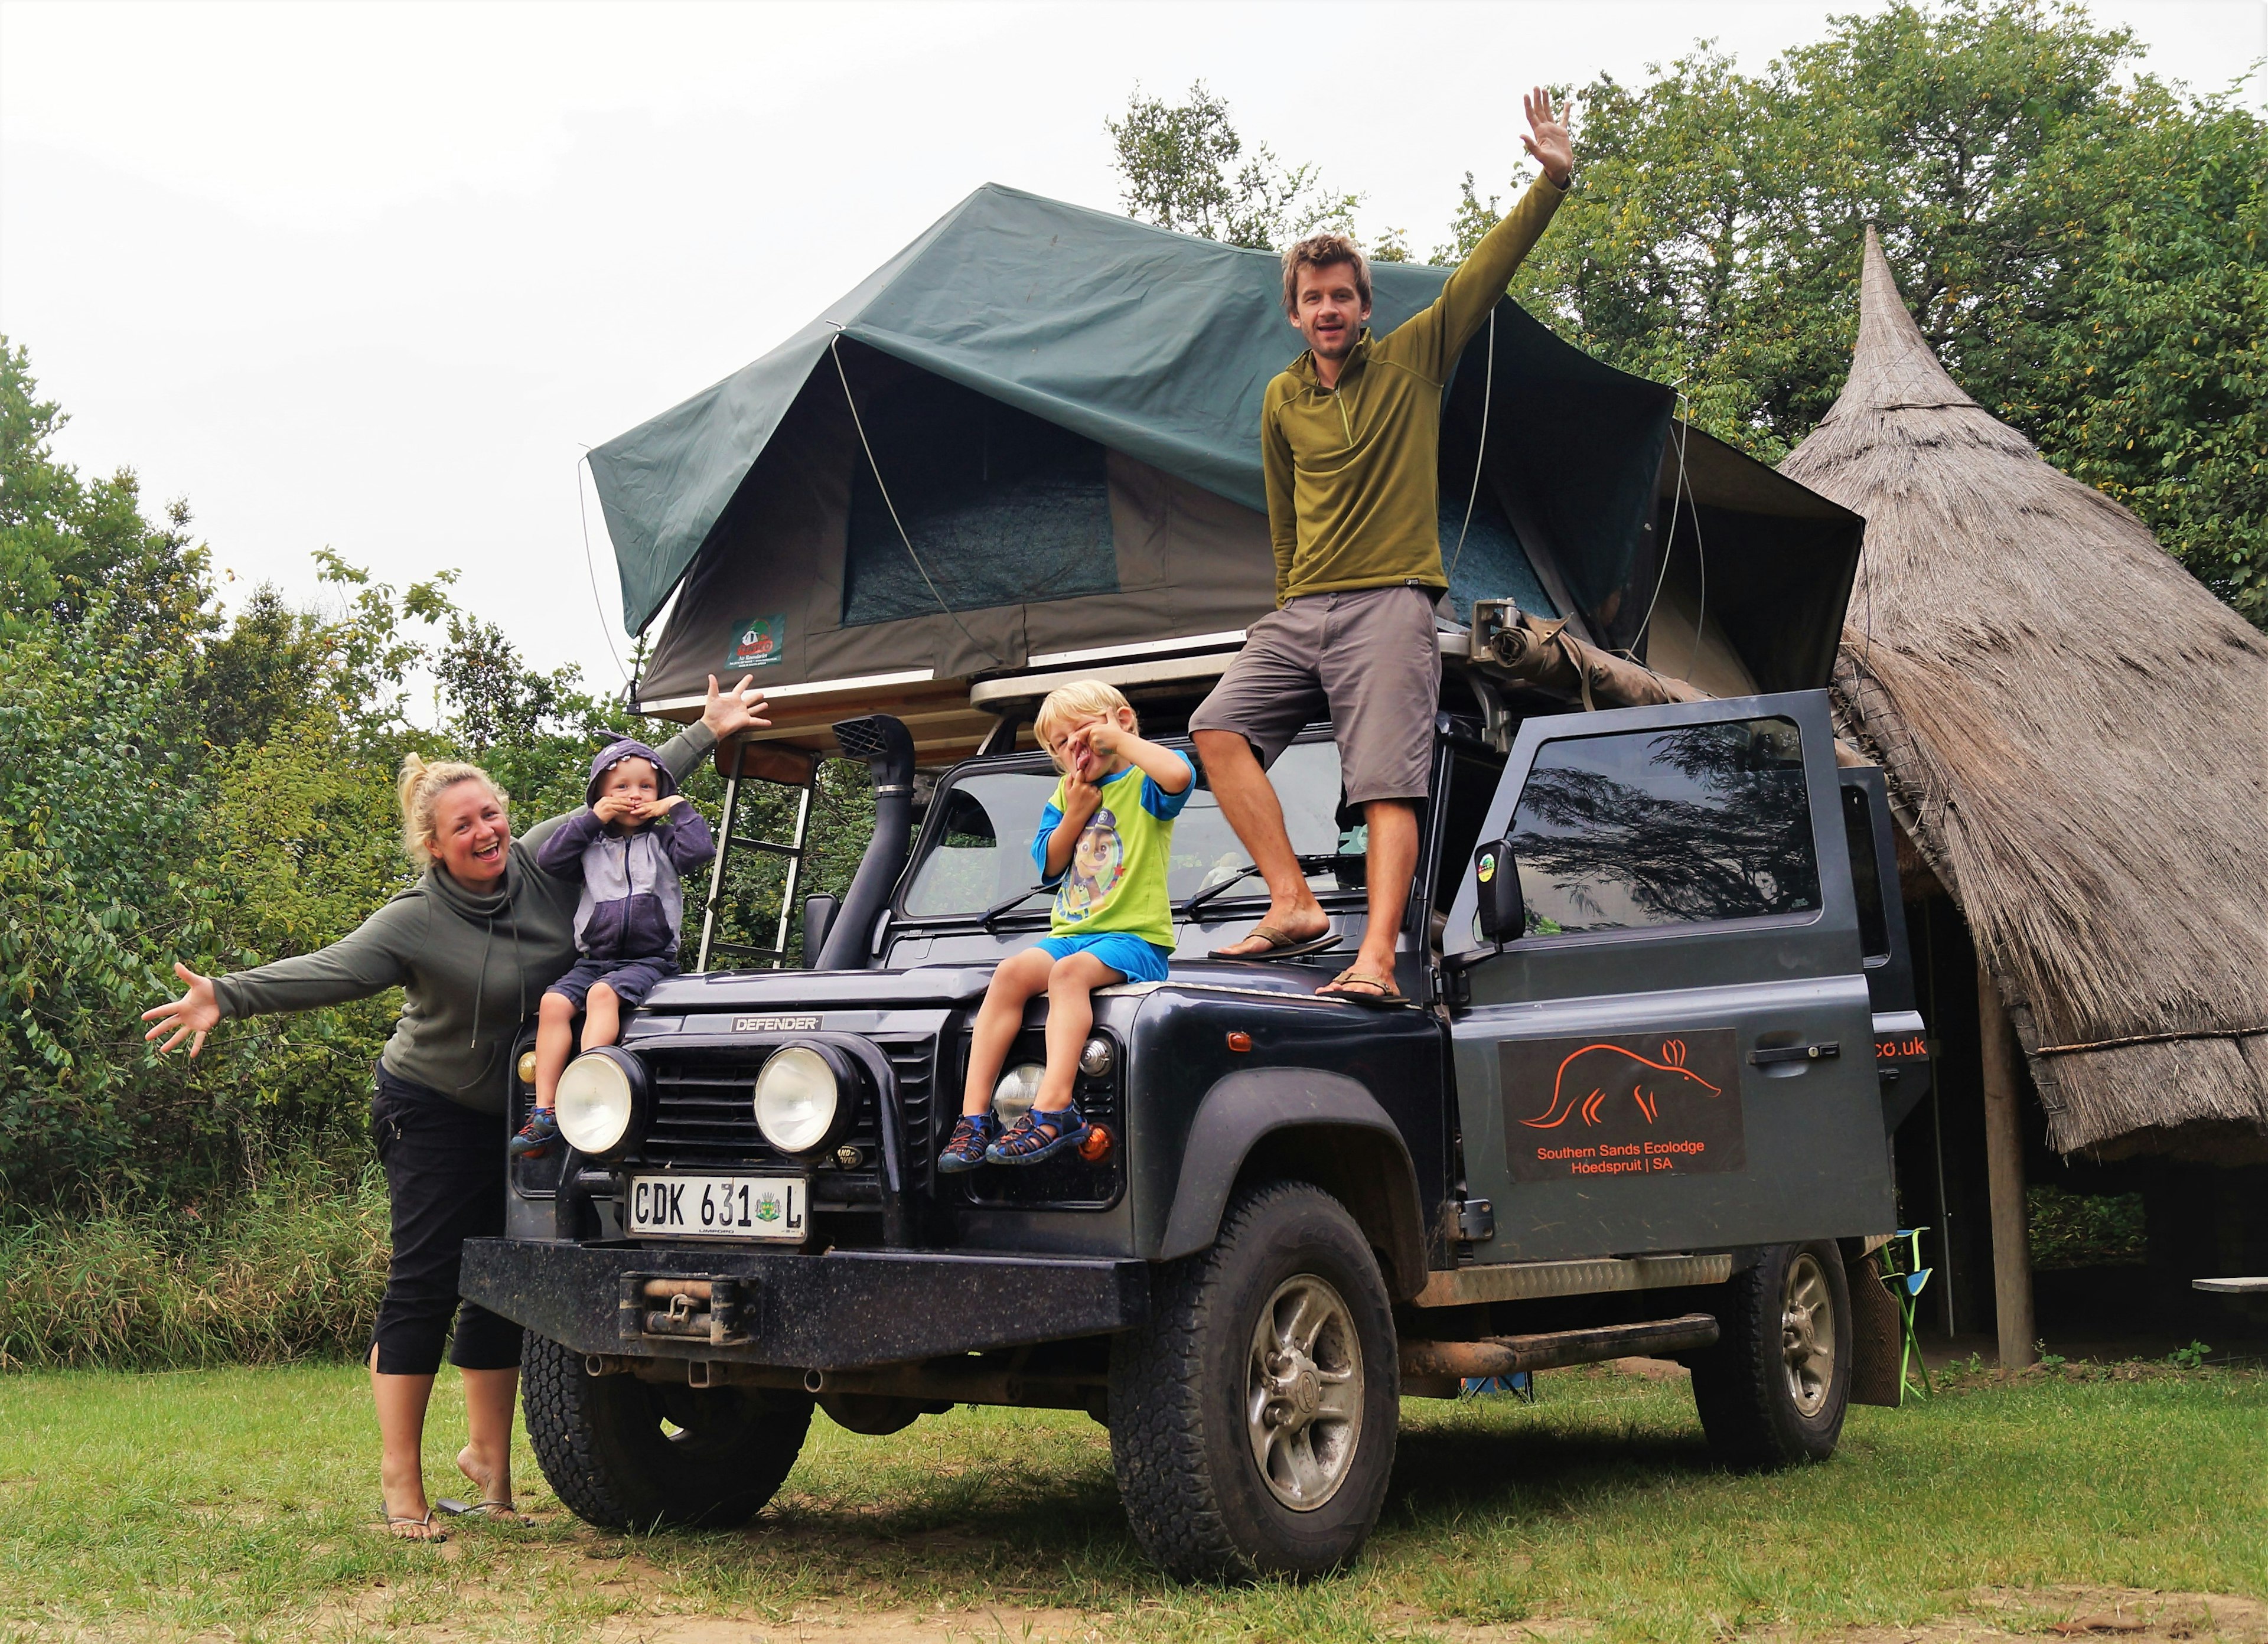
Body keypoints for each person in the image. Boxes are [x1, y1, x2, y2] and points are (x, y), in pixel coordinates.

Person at [139, 677, 771, 1542]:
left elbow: (630, 787)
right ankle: (402, 1485)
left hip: (525, 1108)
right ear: (434, 847)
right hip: (429, 1108)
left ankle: (491, 1469)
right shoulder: (413, 922)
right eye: (463, 825)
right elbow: (326, 971)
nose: (486, 832)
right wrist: (226, 995)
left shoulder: (548, 861)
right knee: (427, 1282)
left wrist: (706, 728)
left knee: (505, 1281)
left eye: (492, 815)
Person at [1190, 89, 1575, 1001]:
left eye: (1342, 297)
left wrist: (1551, 185)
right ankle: (1293, 903)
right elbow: (1282, 508)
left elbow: (1485, 272)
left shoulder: (1413, 361)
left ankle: (1376, 964)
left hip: (1390, 601)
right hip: (1303, 608)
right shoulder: (1283, 399)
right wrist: (1289, 600)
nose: (1328, 309)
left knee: (1384, 785)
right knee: (1215, 729)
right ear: (1295, 312)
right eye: (1313, 298)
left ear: (1365, 308)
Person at [939, 680, 1193, 1172]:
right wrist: (1076, 812)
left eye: (1084, 732)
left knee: (1069, 975)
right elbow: (1050, 865)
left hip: (1134, 938)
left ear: (1120, 723)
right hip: (1072, 933)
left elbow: (1180, 773)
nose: (1073, 746)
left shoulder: (1144, 782)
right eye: (1060, 743)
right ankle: (973, 1120)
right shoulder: (1065, 794)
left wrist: (1117, 741)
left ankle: (1055, 1108)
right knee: (1011, 973)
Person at [511, 739, 716, 1160]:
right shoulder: (590, 844)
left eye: (646, 786)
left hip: (650, 958)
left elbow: (700, 851)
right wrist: (591, 820)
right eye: (621, 786)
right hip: (597, 958)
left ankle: (590, 1095)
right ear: (601, 794)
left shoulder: (662, 841)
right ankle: (546, 1112)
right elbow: (550, 860)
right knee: (552, 1003)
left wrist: (677, 808)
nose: (635, 794)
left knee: (602, 997)